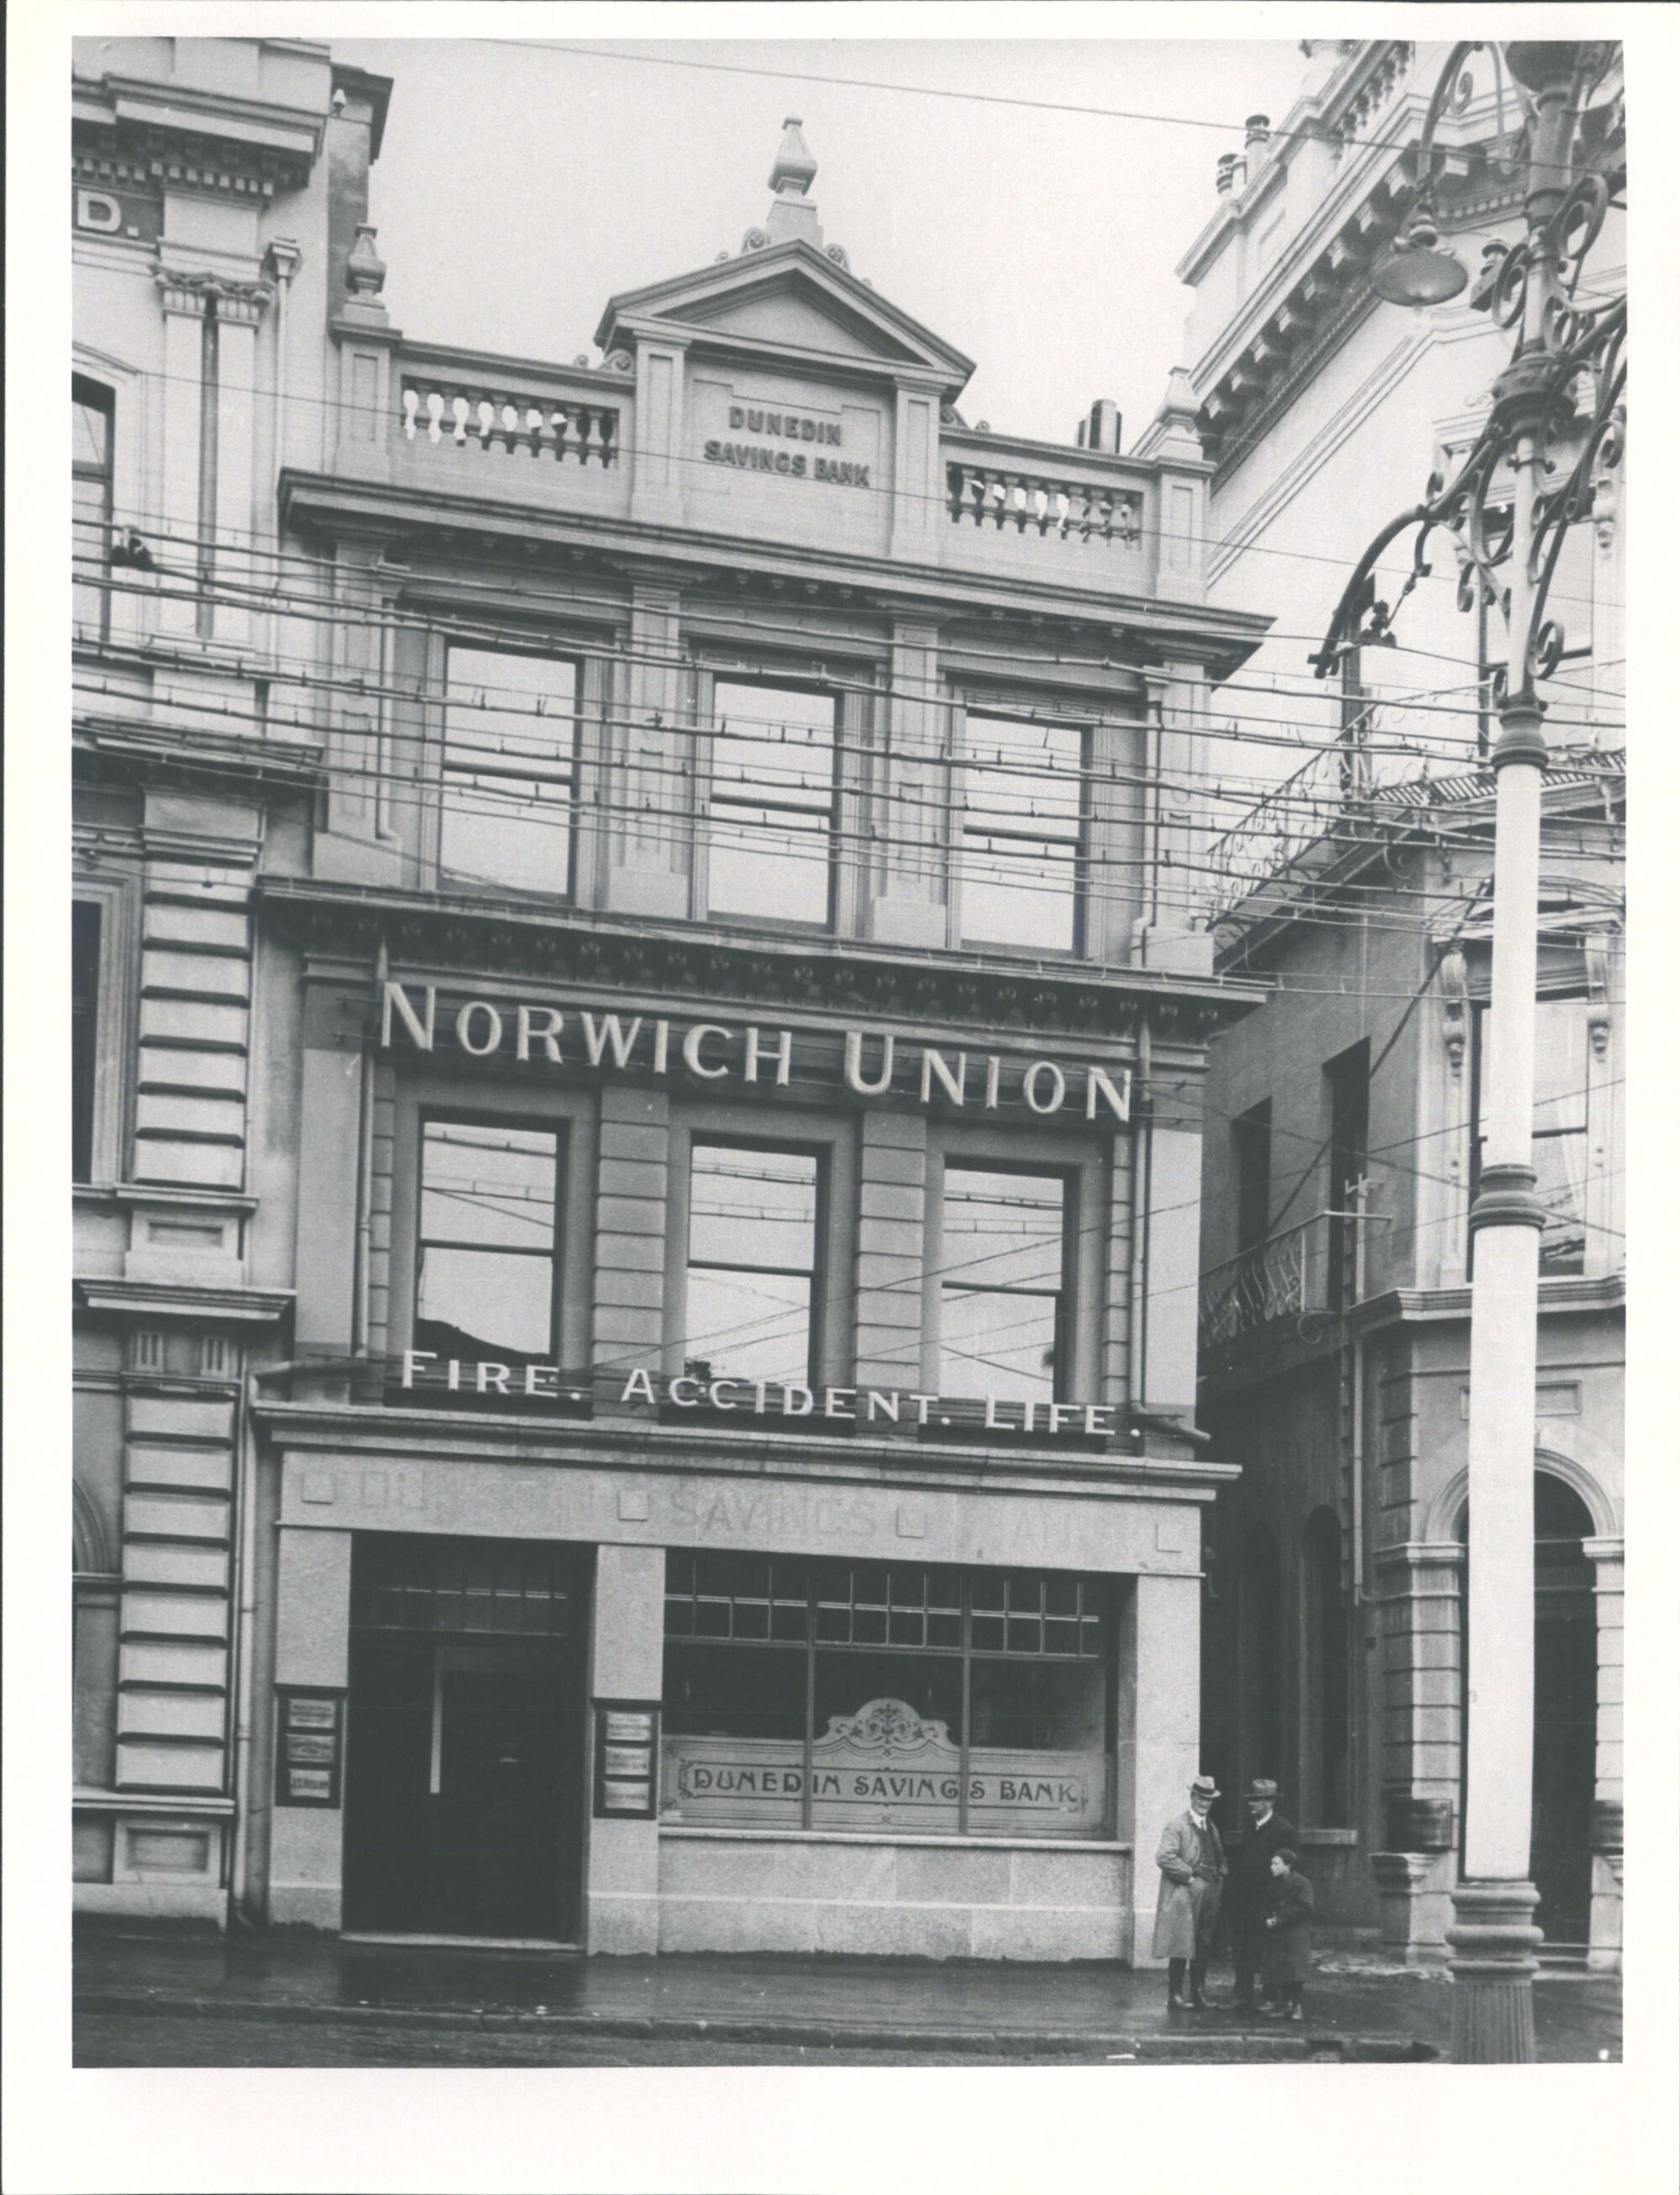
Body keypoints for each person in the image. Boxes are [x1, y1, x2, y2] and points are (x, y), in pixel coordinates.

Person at [1153, 1773, 1227, 2009]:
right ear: (1192, 1797)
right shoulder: (1177, 1825)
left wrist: (1221, 1872)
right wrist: (1191, 1876)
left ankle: (1198, 1993)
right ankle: (1174, 1995)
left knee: (1204, 1942)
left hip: (1211, 1889)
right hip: (1187, 1891)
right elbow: (1164, 1857)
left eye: (1209, 1799)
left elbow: (1218, 1854)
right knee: (1182, 1941)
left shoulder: (1211, 1826)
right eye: (1201, 1798)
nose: (1204, 1803)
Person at [1230, 1778, 1299, 2010]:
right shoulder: (1251, 1826)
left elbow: (1289, 1870)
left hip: (1269, 1899)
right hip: (1246, 1898)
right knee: (1243, 1945)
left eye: (1256, 1800)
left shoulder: (1285, 1830)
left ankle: (1271, 1997)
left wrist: (1277, 1900)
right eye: (1251, 1799)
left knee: (1269, 1948)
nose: (1251, 1804)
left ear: (1269, 1802)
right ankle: (1242, 1995)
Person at [1262, 1847, 1315, 2022]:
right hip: (1278, 1934)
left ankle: (1296, 2006)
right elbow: (1267, 1904)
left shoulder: (1302, 1883)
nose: (1272, 1867)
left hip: (1294, 1934)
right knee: (1281, 1970)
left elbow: (1305, 1907)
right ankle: (1285, 2005)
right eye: (1272, 1863)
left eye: (1276, 1864)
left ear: (1288, 1866)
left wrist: (1279, 1919)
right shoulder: (1273, 1883)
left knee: (1294, 1972)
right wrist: (1267, 1917)